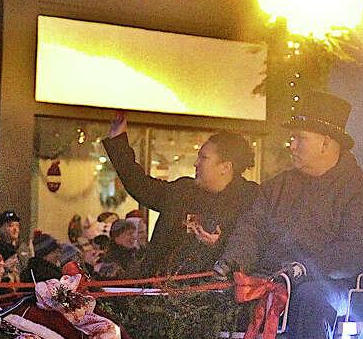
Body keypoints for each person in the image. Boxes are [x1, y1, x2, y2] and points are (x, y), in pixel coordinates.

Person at [219, 91, 363, 339]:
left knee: (311, 299)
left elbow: (359, 250)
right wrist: (232, 263)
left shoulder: (361, 191)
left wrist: (304, 270)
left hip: (335, 287)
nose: (292, 145)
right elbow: (251, 227)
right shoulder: (278, 187)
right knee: (230, 294)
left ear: (327, 143)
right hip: (275, 279)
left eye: (300, 139)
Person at [103, 114, 259, 275]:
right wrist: (117, 142)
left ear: (225, 167)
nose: (195, 163)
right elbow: (141, 186)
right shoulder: (182, 191)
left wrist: (221, 245)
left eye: (204, 158)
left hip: (209, 294)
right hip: (158, 290)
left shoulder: (251, 199)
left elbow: (257, 244)